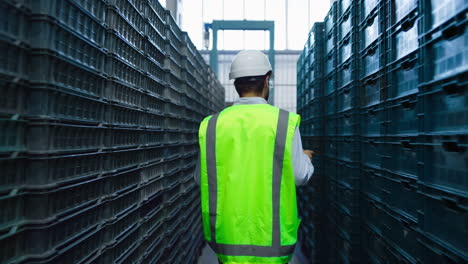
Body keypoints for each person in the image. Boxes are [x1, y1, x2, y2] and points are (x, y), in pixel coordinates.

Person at [194, 50, 314, 264]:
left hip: (227, 241)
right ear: (267, 80)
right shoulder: (283, 122)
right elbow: (300, 176)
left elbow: (200, 178)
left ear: (235, 84)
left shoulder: (212, 125)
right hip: (273, 243)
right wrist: (305, 158)